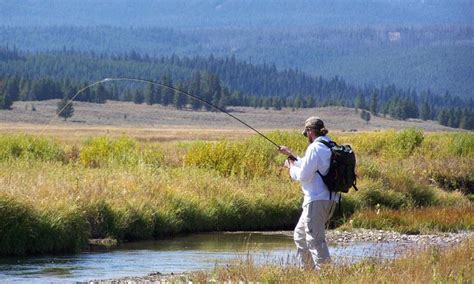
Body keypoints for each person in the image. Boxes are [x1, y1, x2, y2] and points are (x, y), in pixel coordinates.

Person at [278, 116, 338, 270]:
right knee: (300, 236)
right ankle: (310, 274)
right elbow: (311, 165)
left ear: (310, 131)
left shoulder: (314, 148)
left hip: (316, 200)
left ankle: (327, 276)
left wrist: (290, 168)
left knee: (315, 240)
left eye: (306, 134)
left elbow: (304, 175)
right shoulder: (329, 145)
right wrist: (291, 156)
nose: (306, 137)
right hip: (329, 199)